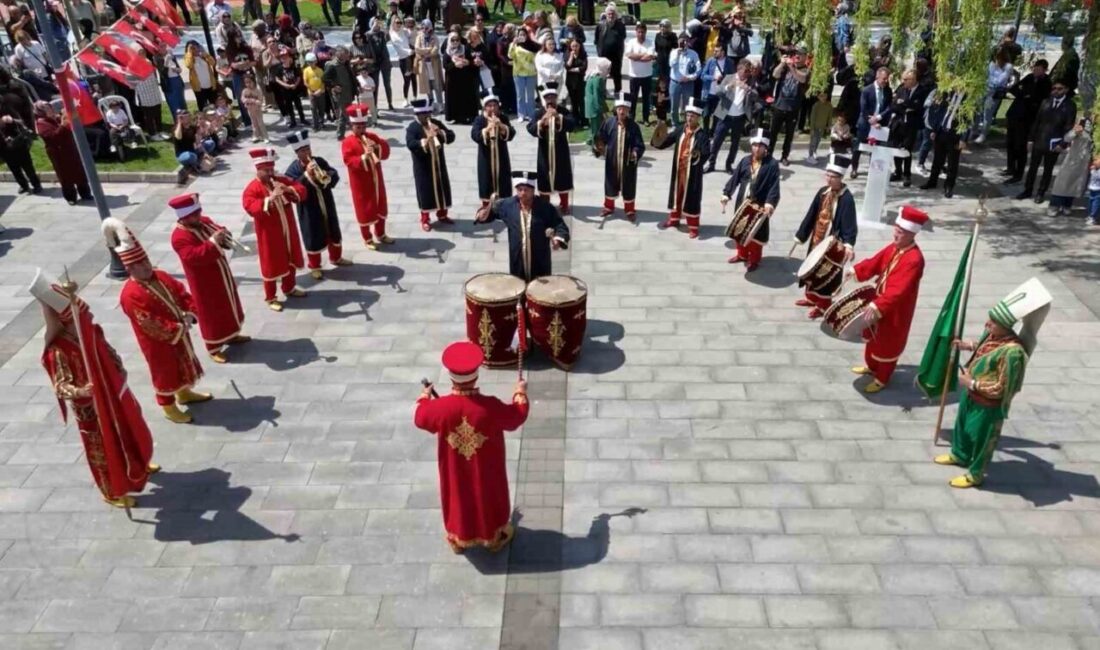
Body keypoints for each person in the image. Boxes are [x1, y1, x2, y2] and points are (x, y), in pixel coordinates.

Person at [31, 270, 156, 509]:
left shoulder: (91, 333)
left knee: (129, 428)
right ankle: (111, 491)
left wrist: (118, 369)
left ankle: (138, 465)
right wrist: (82, 392)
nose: (86, 318)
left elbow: (108, 353)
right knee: (103, 450)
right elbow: (61, 387)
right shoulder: (58, 350)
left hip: (111, 394)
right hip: (91, 409)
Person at [414, 341, 529, 553]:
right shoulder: (490, 407)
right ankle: (493, 538)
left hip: (454, 466)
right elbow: (517, 415)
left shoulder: (441, 408)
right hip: (486, 467)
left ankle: (458, 539)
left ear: (451, 376)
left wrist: (425, 397)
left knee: (457, 495)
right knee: (487, 494)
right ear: (475, 375)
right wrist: (519, 392)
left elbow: (421, 417)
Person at [936, 280, 1051, 488]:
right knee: (961, 427)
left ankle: (975, 474)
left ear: (1005, 328)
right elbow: (982, 346)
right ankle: (959, 454)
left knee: (982, 439)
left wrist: (971, 384)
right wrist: (965, 345)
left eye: (992, 323)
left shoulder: (1013, 353)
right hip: (970, 395)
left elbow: (1002, 387)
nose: (986, 325)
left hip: (988, 405)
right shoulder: (991, 334)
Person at [105, 219, 212, 424]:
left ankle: (184, 393)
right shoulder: (130, 294)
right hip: (158, 343)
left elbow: (182, 293)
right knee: (165, 372)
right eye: (138, 266)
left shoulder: (160, 275)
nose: (145, 268)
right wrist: (177, 328)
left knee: (184, 364)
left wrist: (190, 313)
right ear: (129, 269)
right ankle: (168, 406)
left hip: (179, 332)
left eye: (145, 262)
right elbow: (148, 322)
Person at [847, 206, 928, 393]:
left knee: (888, 343)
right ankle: (872, 367)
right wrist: (857, 270)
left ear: (910, 234)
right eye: (896, 230)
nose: (895, 235)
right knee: (872, 337)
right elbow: (876, 261)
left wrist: (879, 304)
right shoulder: (894, 247)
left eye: (900, 232)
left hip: (895, 310)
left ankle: (882, 378)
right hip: (878, 303)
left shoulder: (914, 259)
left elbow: (899, 290)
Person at [168, 193, 250, 364]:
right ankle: (213, 347)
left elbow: (217, 230)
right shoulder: (179, 237)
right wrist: (213, 242)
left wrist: (224, 233)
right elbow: (193, 256)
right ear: (184, 217)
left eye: (199, 212)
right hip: (204, 282)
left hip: (221, 274)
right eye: (195, 215)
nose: (199, 216)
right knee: (211, 313)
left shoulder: (202, 221)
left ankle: (231, 334)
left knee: (228, 304)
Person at [241, 147, 309, 311]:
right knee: (271, 262)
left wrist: (287, 189)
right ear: (258, 170)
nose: (271, 173)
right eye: (267, 170)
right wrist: (269, 200)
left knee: (290, 256)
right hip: (269, 234)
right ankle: (271, 297)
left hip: (288, 228)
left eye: (272, 169)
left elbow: (302, 190)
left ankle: (289, 288)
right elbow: (250, 207)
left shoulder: (281, 179)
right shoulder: (252, 188)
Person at [474, 171, 570, 281]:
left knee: (539, 293)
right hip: (517, 260)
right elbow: (491, 212)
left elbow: (560, 225)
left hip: (540, 261)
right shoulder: (508, 205)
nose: (523, 193)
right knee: (518, 287)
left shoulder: (545, 208)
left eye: (527, 190)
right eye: (520, 190)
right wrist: (482, 215)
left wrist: (558, 239)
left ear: (533, 191)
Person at [792, 154, 857, 317]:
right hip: (817, 239)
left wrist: (849, 244)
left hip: (832, 246)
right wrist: (801, 235)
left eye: (833, 177)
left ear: (841, 178)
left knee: (825, 276)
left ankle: (823, 305)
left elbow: (850, 225)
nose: (828, 179)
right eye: (827, 175)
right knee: (811, 270)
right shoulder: (822, 192)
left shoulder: (847, 199)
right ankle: (811, 298)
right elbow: (811, 214)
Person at [282, 130, 351, 280]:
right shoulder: (292, 169)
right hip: (309, 208)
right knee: (312, 234)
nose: (307, 152)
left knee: (332, 229)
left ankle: (336, 258)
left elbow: (333, 173)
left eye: (308, 149)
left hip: (326, 202)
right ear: (297, 153)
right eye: (303, 151)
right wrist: (307, 175)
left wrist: (326, 174)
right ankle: (315, 266)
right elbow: (292, 188)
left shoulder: (319, 161)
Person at [721, 129, 780, 269]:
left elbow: (774, 186)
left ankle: (754, 260)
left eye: (760, 146)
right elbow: (735, 179)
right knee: (740, 229)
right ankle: (741, 254)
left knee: (756, 234)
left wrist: (770, 203)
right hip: (743, 203)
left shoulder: (772, 164)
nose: (757, 148)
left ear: (766, 147)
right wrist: (727, 193)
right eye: (754, 145)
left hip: (760, 204)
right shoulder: (745, 161)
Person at [341, 104, 393, 247]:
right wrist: (364, 157)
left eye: (363, 126)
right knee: (364, 209)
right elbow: (349, 161)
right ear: (352, 126)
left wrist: (376, 147)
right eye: (358, 127)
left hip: (376, 179)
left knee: (380, 205)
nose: (362, 130)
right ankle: (367, 238)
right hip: (361, 182)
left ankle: (381, 233)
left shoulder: (372, 136)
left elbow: (386, 151)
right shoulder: (347, 142)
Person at [1016, 81, 1076, 203]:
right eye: (1054, 88)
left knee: (1048, 169)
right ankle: (1027, 190)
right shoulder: (1046, 102)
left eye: (1059, 89)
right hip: (1039, 140)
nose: (1056, 91)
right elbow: (1037, 121)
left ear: (1065, 89)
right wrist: (1031, 139)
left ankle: (1041, 193)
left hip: (1054, 143)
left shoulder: (1069, 105)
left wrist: (1063, 144)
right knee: (1032, 167)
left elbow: (1068, 126)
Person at [658, 99, 707, 239]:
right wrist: (658, 140)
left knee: (691, 198)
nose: (689, 118)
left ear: (698, 117)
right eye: (687, 115)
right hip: (679, 170)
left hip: (692, 174)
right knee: (676, 195)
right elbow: (668, 140)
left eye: (692, 116)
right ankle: (674, 219)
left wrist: (697, 155)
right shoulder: (681, 129)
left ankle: (693, 227)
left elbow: (706, 153)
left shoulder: (702, 135)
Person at [407, 98, 457, 231]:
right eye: (424, 115)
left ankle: (442, 215)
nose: (427, 117)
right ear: (417, 115)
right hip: (423, 167)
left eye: (428, 114)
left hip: (439, 165)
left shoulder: (436, 123)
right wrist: (426, 140)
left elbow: (451, 136)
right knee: (426, 192)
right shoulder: (413, 127)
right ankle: (425, 219)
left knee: (442, 190)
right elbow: (411, 144)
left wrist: (440, 132)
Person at [527, 83, 575, 215]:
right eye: (548, 98)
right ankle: (544, 205)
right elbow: (530, 129)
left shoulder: (563, 111)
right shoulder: (539, 113)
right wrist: (542, 122)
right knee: (544, 177)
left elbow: (572, 125)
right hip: (544, 151)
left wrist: (558, 118)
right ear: (544, 99)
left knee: (562, 175)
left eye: (553, 97)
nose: (550, 100)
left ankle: (564, 204)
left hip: (560, 150)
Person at [596, 94, 645, 222]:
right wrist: (599, 146)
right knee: (610, 183)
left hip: (628, 163)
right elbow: (600, 138)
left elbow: (639, 144)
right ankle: (608, 207)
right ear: (616, 109)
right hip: (612, 161)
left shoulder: (634, 126)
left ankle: (629, 209)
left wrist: (635, 152)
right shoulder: (608, 123)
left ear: (628, 110)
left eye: (624, 109)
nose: (621, 111)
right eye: (619, 108)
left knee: (628, 185)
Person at [1002, 59, 1050, 185]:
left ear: (1044, 70)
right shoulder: (1029, 77)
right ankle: (1010, 167)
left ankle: (1018, 173)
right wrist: (1024, 94)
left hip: (1027, 119)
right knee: (1010, 143)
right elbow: (1014, 89)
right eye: (1035, 68)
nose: (1035, 71)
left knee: (1020, 146)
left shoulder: (1045, 82)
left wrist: (1027, 94)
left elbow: (1038, 98)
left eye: (1038, 69)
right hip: (1015, 113)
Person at [704, 59, 756, 174]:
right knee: (717, 141)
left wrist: (748, 89)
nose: (747, 73)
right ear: (739, 69)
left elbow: (756, 95)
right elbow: (718, 91)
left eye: (748, 71)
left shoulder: (751, 81)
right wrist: (728, 87)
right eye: (745, 71)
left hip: (739, 118)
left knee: (735, 143)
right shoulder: (729, 77)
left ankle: (729, 165)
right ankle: (711, 164)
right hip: (725, 116)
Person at [33, 101, 90, 205]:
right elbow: (52, 138)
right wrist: (63, 125)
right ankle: (71, 197)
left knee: (79, 171)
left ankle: (85, 193)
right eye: (46, 108)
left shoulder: (56, 118)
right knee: (65, 176)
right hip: (58, 154)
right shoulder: (41, 123)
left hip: (70, 149)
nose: (50, 109)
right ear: (40, 111)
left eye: (49, 107)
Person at [471, 92, 516, 208]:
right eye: (489, 105)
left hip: (501, 156)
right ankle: (487, 207)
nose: (492, 108)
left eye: (494, 105)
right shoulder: (480, 120)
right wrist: (486, 130)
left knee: (503, 180)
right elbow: (474, 135)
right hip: (485, 158)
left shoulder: (503, 118)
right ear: (485, 107)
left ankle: (503, 206)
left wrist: (501, 126)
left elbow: (511, 134)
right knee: (486, 180)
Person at [888, 69, 930, 187]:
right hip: (899, 123)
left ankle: (907, 174)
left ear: (913, 79)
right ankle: (898, 171)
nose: (904, 81)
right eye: (904, 79)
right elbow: (894, 104)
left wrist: (904, 103)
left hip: (911, 125)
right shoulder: (902, 88)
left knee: (906, 150)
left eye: (906, 79)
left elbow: (918, 106)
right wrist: (904, 105)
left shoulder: (921, 91)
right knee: (896, 148)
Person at [920, 90, 965, 198]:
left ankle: (949, 186)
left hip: (955, 134)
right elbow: (940, 113)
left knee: (952, 162)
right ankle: (932, 181)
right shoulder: (948, 94)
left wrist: (964, 139)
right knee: (937, 159)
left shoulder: (968, 100)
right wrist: (935, 130)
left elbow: (968, 120)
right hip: (941, 131)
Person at [769, 46, 809, 165]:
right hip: (779, 105)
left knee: (789, 135)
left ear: (805, 57)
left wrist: (792, 67)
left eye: (800, 54)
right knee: (773, 133)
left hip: (793, 108)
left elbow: (801, 79)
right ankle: (769, 155)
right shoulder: (785, 67)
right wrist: (782, 64)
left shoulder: (806, 70)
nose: (797, 56)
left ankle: (784, 156)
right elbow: (775, 75)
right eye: (796, 54)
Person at [850, 67, 892, 179]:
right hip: (865, 123)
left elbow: (889, 107)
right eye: (884, 79)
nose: (886, 81)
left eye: (887, 79)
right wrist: (872, 122)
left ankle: (873, 169)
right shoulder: (867, 90)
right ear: (877, 77)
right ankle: (854, 168)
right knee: (858, 147)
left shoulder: (888, 90)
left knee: (876, 148)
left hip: (879, 123)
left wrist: (879, 117)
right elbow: (864, 109)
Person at [1049, 119, 1094, 217]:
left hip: (1084, 163)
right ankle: (1054, 205)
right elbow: (1067, 138)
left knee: (1075, 185)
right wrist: (1074, 131)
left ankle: (1067, 205)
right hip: (1072, 160)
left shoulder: (1095, 133)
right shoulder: (1079, 130)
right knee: (1063, 184)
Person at [973, 50, 1013, 145]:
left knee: (987, 113)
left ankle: (983, 134)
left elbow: (1000, 81)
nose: (997, 61)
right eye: (996, 59)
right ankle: (974, 130)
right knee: (977, 110)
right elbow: (986, 76)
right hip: (985, 89)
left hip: (995, 93)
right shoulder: (991, 64)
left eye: (998, 59)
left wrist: (991, 81)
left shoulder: (1008, 67)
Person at [443, 32, 480, 125]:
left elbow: (471, 61)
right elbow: (445, 66)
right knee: (454, 98)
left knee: (465, 97)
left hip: (465, 79)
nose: (455, 42)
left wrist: (467, 62)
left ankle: (467, 116)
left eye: (457, 40)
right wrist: (454, 64)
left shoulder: (465, 48)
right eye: (453, 40)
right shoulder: (447, 51)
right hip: (452, 80)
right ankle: (456, 117)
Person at [0, 113, 41, 194]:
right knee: (15, 170)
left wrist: (12, 120)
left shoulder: (6, 111)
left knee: (28, 167)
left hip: (19, 146)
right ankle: (24, 186)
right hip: (5, 150)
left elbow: (20, 122)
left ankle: (36, 185)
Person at [324, 46, 359, 139]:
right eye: (346, 55)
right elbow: (325, 79)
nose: (348, 57)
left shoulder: (345, 63)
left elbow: (351, 76)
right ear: (339, 54)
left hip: (348, 93)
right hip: (340, 95)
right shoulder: (332, 65)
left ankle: (340, 135)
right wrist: (334, 86)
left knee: (343, 115)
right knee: (348, 114)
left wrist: (357, 85)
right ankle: (358, 134)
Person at [623, 23, 655, 125]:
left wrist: (636, 57)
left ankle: (646, 118)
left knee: (646, 98)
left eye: (642, 32)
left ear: (645, 32)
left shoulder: (650, 42)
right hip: (634, 75)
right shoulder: (631, 42)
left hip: (647, 75)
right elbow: (629, 55)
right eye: (639, 32)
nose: (641, 34)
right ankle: (631, 118)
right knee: (633, 98)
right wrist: (642, 56)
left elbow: (649, 57)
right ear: (636, 32)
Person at [668, 32, 700, 128]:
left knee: (688, 106)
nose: (684, 43)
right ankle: (675, 124)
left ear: (688, 42)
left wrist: (689, 78)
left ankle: (687, 124)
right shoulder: (673, 52)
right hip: (675, 83)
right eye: (682, 40)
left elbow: (698, 69)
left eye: (686, 40)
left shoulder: (693, 54)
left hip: (688, 84)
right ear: (678, 41)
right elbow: (671, 64)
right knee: (674, 106)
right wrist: (678, 54)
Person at [594, 5, 626, 94]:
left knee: (617, 75)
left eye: (612, 14)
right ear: (606, 14)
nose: (611, 16)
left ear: (615, 14)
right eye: (609, 14)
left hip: (616, 55)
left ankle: (618, 92)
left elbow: (623, 37)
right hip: (603, 55)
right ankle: (602, 92)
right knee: (602, 75)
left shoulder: (621, 25)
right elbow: (596, 40)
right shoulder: (600, 25)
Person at [414, 19, 445, 111]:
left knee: (436, 85)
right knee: (427, 85)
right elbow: (417, 48)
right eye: (423, 27)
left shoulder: (434, 36)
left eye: (426, 27)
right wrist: (428, 50)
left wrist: (426, 53)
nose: (424, 29)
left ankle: (440, 104)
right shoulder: (419, 36)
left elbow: (435, 49)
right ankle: (431, 103)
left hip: (433, 64)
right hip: (424, 65)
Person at [509, 26, 537, 122]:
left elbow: (539, 52)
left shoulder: (532, 45)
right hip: (518, 73)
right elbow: (510, 55)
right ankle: (521, 114)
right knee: (520, 96)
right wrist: (513, 43)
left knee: (530, 96)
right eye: (520, 35)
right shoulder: (514, 45)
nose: (522, 36)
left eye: (524, 35)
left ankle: (531, 114)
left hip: (531, 73)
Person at [183, 40, 219, 109]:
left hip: (210, 84)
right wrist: (189, 53)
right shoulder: (188, 58)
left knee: (214, 104)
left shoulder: (203, 56)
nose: (195, 49)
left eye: (196, 46)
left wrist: (205, 54)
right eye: (192, 48)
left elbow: (213, 63)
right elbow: (189, 65)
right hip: (199, 87)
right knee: (203, 106)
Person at [583, 58, 610, 150]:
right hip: (595, 108)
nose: (608, 70)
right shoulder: (598, 79)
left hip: (590, 106)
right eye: (608, 68)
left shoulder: (592, 75)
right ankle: (595, 148)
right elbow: (597, 97)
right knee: (596, 129)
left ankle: (590, 141)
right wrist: (603, 111)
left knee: (594, 127)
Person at [391, 16, 417, 107]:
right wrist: (410, 51)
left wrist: (413, 26)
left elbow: (413, 33)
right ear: (393, 24)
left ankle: (415, 97)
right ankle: (405, 99)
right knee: (407, 80)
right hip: (404, 59)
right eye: (397, 22)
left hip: (412, 57)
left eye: (400, 22)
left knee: (414, 78)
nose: (399, 24)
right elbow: (399, 48)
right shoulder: (393, 35)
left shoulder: (404, 31)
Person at [564, 37, 589, 127]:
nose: (575, 48)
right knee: (573, 102)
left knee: (581, 102)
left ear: (580, 46)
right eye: (573, 46)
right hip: (570, 82)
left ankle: (584, 121)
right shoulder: (567, 54)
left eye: (576, 46)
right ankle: (575, 121)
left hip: (580, 82)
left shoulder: (583, 55)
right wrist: (571, 56)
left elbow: (583, 68)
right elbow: (567, 66)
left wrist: (573, 69)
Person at [807, 91, 833, 163]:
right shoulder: (816, 105)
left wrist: (829, 126)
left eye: (824, 95)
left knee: (818, 140)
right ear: (818, 97)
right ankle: (810, 155)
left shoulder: (829, 105)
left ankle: (814, 152)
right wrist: (811, 128)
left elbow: (830, 117)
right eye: (821, 96)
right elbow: (812, 118)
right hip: (815, 127)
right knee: (813, 141)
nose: (823, 97)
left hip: (822, 127)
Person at [1088, 157, 1100, 227]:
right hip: (1098, 189)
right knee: (1096, 204)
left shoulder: (1093, 170)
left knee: (1091, 202)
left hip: (1092, 188)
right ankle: (1093, 217)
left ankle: (1090, 216)